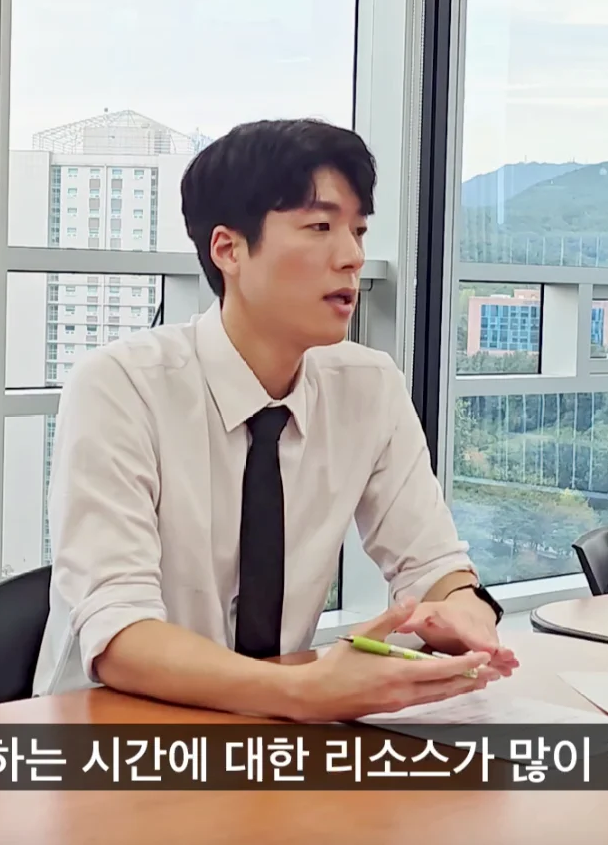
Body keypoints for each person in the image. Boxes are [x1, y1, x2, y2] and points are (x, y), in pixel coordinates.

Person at [31, 118, 519, 722]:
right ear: (228, 249)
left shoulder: (368, 386)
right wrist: (310, 691)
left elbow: (432, 564)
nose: (352, 257)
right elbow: (120, 634)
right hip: (118, 730)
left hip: (274, 728)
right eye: (319, 227)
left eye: (358, 230)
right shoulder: (121, 386)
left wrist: (463, 611)